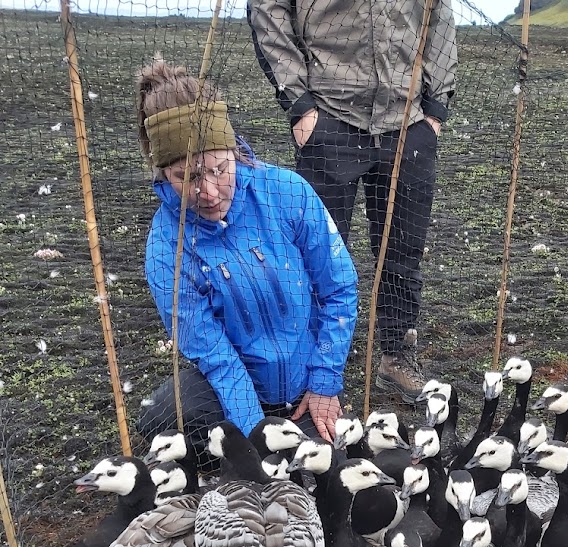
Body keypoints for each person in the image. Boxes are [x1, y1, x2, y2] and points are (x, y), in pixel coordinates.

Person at [137, 58, 358, 456]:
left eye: (220, 169)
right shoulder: (165, 249)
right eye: (185, 178)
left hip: (307, 377)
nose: (209, 191)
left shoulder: (288, 191)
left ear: (235, 151)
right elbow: (215, 355)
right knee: (164, 416)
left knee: (324, 470)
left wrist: (324, 382)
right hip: (234, 388)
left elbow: (339, 287)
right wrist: (256, 436)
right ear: (163, 176)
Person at [247, 0, 457, 405]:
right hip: (329, 116)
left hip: (408, 121)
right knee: (314, 258)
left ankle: (397, 356)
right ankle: (308, 370)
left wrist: (435, 109)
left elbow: (440, 16)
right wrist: (299, 105)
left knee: (402, 253)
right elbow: (268, 10)